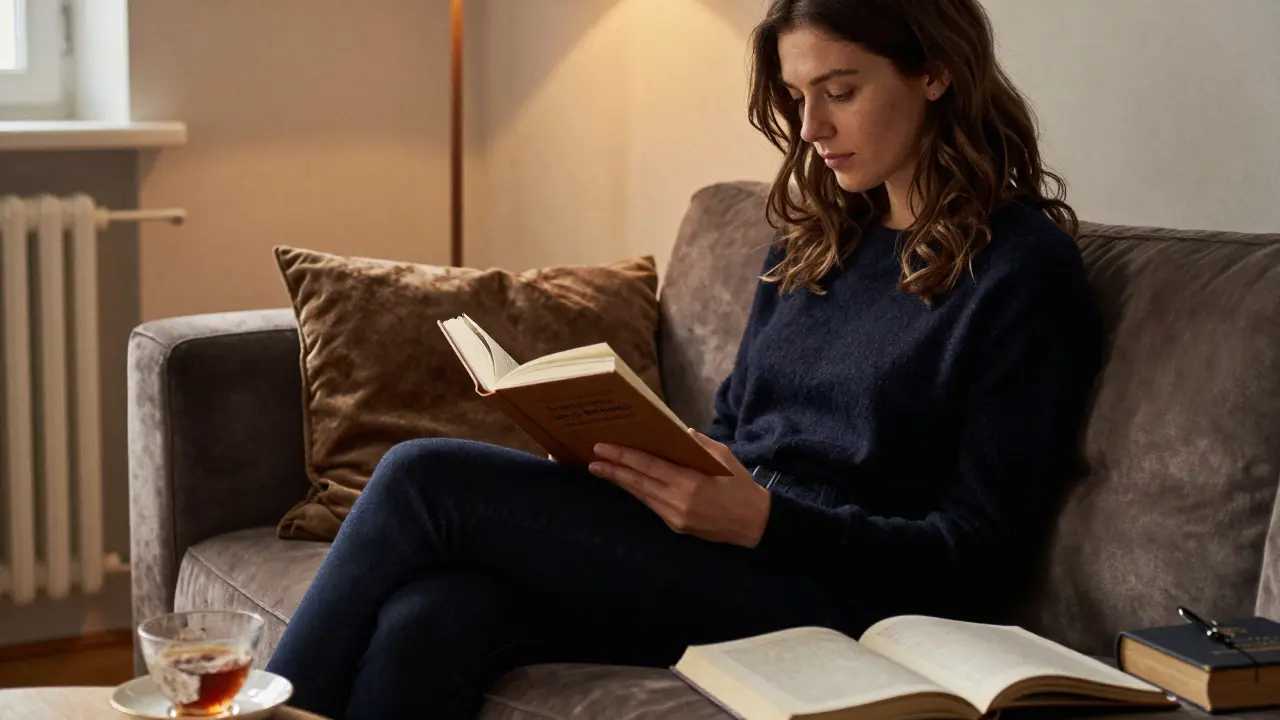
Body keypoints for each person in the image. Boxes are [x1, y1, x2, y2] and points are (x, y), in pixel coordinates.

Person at [266, 0, 1101, 717]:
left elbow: (979, 559)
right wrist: (648, 464)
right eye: (798, 97)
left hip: (842, 598)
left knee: (422, 476)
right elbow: (735, 433)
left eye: (840, 92)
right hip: (723, 556)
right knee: (434, 616)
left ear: (935, 73)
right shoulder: (815, 241)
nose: (811, 130)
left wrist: (768, 522)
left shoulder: (1021, 272)